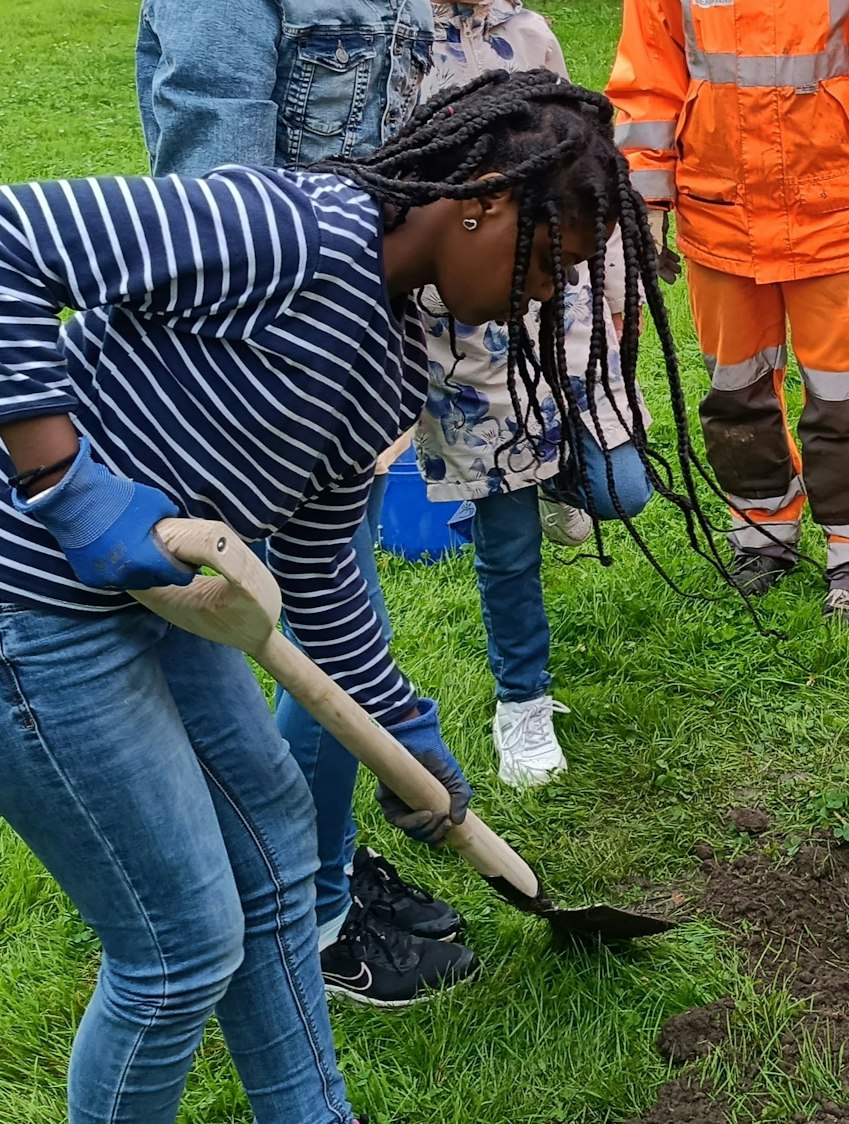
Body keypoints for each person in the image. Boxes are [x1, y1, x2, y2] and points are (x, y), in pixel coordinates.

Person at [0, 69, 699, 1122]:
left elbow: (321, 567)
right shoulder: (284, 227)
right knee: (179, 942)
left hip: (162, 602)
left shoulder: (386, 359)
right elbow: (10, 235)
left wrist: (403, 722)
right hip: (34, 605)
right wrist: (60, 473)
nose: (542, 298)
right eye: (548, 263)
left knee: (280, 860)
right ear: (485, 199)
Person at [135, 0, 476, 1005]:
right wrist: (291, 368)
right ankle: (314, 918)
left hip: (358, 328)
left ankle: (323, 873)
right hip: (272, 357)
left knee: (330, 605)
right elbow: (216, 182)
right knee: (313, 623)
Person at [608, 0, 849, 621]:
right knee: (734, 390)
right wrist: (645, 199)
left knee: (845, 400)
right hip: (719, 210)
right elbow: (649, 76)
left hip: (838, 208)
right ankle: (759, 534)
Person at [413, 0, 655, 789]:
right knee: (507, 546)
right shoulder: (395, 43)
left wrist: (617, 288)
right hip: (466, 340)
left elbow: (585, 167)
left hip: (560, 322)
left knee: (621, 491)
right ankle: (523, 699)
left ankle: (553, 475)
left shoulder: (532, 33)